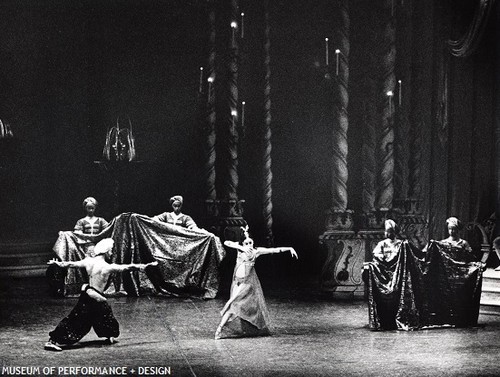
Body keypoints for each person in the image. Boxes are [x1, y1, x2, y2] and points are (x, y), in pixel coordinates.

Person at [44, 238, 158, 351]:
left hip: (88, 292)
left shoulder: (88, 261)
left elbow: (70, 264)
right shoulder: (107, 267)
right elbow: (128, 267)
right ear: (107, 251)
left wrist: (57, 263)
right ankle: (52, 341)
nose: (112, 253)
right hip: (94, 295)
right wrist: (147, 265)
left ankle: (109, 335)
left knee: (104, 313)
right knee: (78, 319)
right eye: (111, 250)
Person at [215, 226, 298, 340]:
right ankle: (219, 330)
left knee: (233, 306)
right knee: (232, 306)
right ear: (243, 243)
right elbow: (227, 242)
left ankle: (219, 330)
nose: (249, 245)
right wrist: (241, 247)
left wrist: (289, 248)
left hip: (246, 283)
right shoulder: (240, 249)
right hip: (237, 282)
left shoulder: (256, 251)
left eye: (250, 242)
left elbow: (273, 250)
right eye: (246, 243)